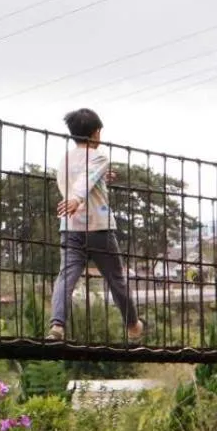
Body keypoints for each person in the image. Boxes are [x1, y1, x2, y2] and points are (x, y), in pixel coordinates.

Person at [48, 107, 142, 343]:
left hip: (70, 228)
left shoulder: (65, 159)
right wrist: (77, 198)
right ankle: (132, 325)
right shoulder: (99, 156)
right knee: (115, 278)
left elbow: (81, 179)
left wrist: (96, 183)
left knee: (65, 277)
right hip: (99, 228)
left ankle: (57, 324)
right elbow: (85, 180)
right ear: (96, 132)